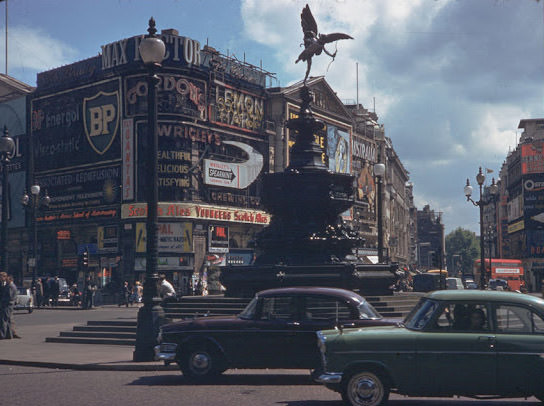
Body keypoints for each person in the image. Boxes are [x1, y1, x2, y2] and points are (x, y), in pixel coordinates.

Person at [0, 273, 19, 339]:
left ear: (9, 279)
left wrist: (2, 300)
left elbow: (9, 297)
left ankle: (2, 335)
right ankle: (9, 335)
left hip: (7, 305)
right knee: (8, 320)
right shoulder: (8, 285)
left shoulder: (10, 286)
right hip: (8, 304)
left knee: (4, 320)